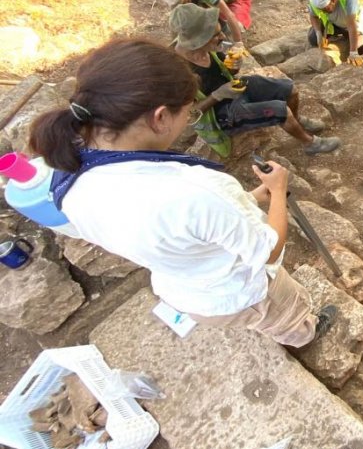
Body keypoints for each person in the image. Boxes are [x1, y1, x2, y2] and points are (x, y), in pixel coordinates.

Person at [30, 38, 337, 348]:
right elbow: (267, 250)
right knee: (285, 315)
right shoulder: (196, 191)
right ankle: (304, 334)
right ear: (160, 117)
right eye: (188, 114)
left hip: (185, 290)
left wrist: (251, 198)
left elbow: (186, 225)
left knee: (257, 318)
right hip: (239, 290)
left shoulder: (67, 177)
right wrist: (278, 188)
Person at [170, 4, 340, 155]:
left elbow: (226, 70)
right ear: (198, 41)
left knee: (290, 89)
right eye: (215, 35)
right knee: (281, 110)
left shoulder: (208, 47)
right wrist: (218, 95)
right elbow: (189, 115)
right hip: (222, 113)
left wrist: (233, 66)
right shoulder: (180, 72)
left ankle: (297, 120)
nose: (222, 37)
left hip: (233, 89)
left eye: (220, 30)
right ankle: (310, 143)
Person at [307, 0, 363, 65]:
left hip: (354, 22)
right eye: (322, 10)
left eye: (326, 9)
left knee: (360, 47)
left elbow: (352, 26)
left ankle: (351, 42)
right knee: (313, 39)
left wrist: (353, 52)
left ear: (333, 0)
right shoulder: (315, 0)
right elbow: (313, 16)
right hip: (334, 23)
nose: (324, 12)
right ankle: (341, 39)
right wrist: (318, 33)